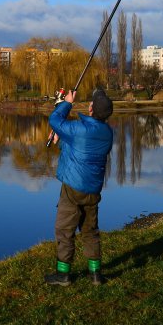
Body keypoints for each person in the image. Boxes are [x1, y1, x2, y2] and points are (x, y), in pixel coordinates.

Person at [45, 88, 114, 286]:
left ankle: (63, 275)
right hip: (93, 190)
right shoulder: (107, 133)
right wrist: (62, 139)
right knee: (90, 231)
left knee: (64, 230)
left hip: (73, 188)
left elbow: (55, 120)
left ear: (91, 108)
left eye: (92, 103)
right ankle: (95, 275)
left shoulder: (80, 130)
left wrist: (67, 103)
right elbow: (80, 149)